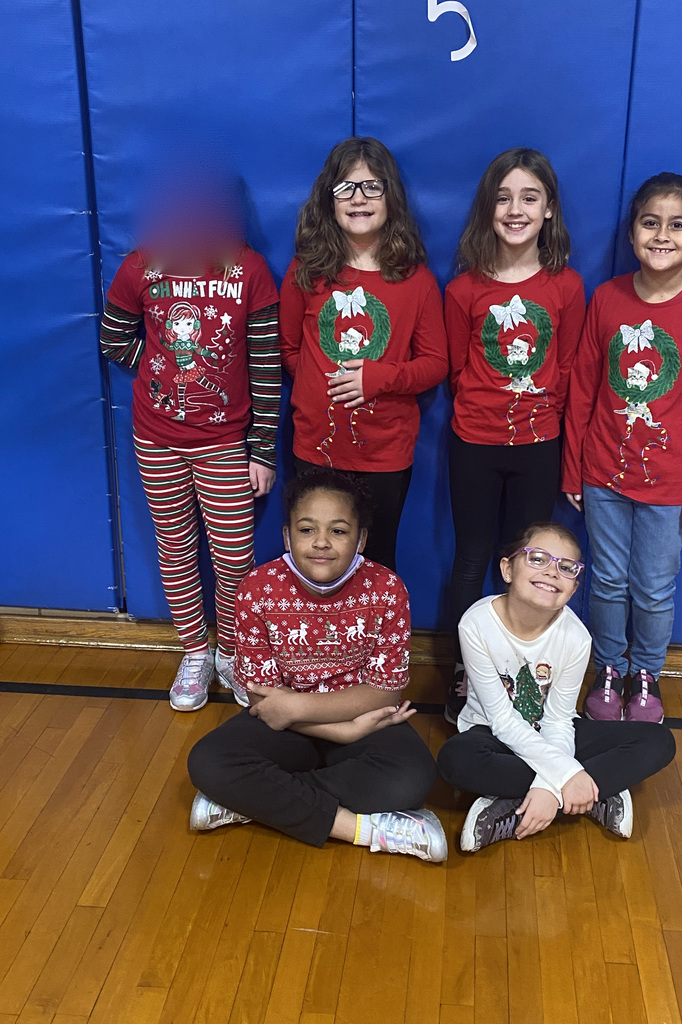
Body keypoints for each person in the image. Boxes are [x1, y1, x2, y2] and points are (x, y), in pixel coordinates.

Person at [187, 468, 447, 862]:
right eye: (307, 530)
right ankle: (364, 831)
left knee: (413, 776)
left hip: (360, 720)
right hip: (295, 729)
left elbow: (384, 690)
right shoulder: (256, 589)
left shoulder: (388, 589)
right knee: (208, 760)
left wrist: (303, 710)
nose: (321, 543)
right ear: (287, 535)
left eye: (339, 531)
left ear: (360, 539)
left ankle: (251, 801)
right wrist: (339, 731)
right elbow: (263, 700)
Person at [100, 170, 280, 712]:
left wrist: (262, 449)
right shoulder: (143, 264)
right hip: (157, 439)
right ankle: (196, 652)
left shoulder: (250, 270)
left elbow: (267, 365)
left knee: (233, 558)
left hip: (225, 440)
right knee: (175, 549)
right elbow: (113, 337)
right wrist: (155, 370)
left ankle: (230, 650)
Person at [562, 172, 682, 723]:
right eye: (650, 222)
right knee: (608, 580)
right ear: (633, 231)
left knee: (654, 588)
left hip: (669, 485)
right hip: (602, 476)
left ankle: (646, 675)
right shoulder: (607, 299)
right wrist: (573, 472)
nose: (662, 235)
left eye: (677, 225)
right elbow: (583, 389)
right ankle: (609, 667)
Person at [444, 149, 585, 723]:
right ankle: (464, 672)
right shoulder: (463, 290)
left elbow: (571, 368)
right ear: (488, 209)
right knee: (472, 557)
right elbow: (458, 370)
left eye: (529, 197)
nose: (515, 209)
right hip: (474, 443)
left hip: (538, 447)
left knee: (530, 559)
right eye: (503, 198)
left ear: (549, 209)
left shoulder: (567, 287)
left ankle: (523, 673)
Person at [437, 523, 676, 851]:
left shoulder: (576, 638)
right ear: (507, 569)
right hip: (492, 734)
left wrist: (549, 786)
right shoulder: (476, 624)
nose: (552, 572)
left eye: (566, 568)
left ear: (574, 587)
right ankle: (590, 793)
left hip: (552, 735)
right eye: (537, 559)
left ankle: (519, 801)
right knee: (455, 759)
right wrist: (564, 776)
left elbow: (559, 720)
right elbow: (503, 721)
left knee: (659, 741)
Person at [279, 137, 448, 571]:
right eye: (346, 188)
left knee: (376, 559)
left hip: (384, 453)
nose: (358, 199)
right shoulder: (306, 271)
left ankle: (373, 641)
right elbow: (291, 349)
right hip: (316, 446)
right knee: (315, 561)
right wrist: (320, 384)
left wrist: (377, 378)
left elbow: (435, 363)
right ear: (328, 199)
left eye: (372, 187)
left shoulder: (417, 281)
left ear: (390, 196)